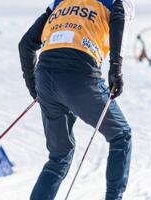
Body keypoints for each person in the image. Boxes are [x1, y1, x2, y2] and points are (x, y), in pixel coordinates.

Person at [18, 0, 135, 199]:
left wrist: (35, 88)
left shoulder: (60, 3)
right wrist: (116, 67)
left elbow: (25, 45)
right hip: (80, 74)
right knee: (121, 135)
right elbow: (119, 16)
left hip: (46, 76)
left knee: (59, 155)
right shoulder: (117, 3)